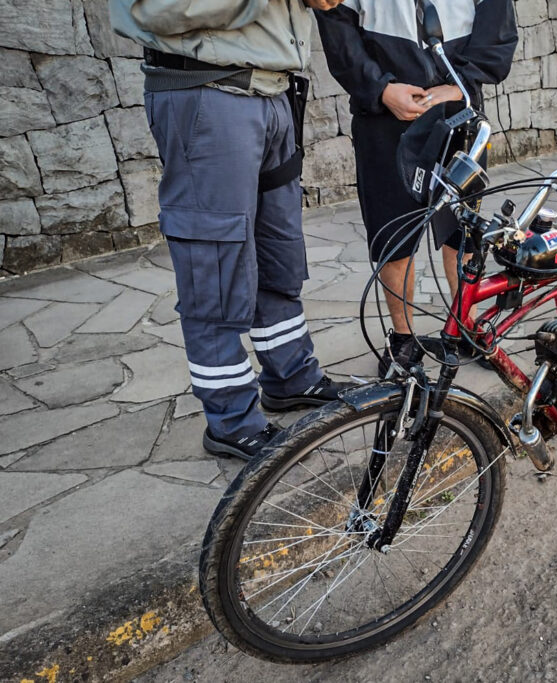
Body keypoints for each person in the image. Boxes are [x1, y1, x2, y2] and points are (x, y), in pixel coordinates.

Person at [110, 0, 355, 460]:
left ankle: (290, 376)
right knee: (214, 265)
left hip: (273, 93)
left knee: (278, 251)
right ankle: (231, 421)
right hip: (207, 93)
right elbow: (153, 8)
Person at [316, 0, 517, 376]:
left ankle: (465, 323)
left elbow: (498, 29)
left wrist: (458, 86)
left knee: (464, 227)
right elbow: (336, 23)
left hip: (460, 110)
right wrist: (381, 90)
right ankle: (403, 338)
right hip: (383, 115)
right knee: (393, 228)